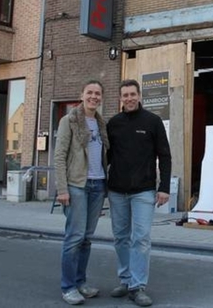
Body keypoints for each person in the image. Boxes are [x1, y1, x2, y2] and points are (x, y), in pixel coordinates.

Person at [107, 79, 172, 307]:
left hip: (144, 191)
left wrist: (164, 187)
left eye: (132, 94)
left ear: (139, 95)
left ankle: (138, 286)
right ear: (120, 98)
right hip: (116, 191)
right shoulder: (113, 123)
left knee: (141, 239)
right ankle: (125, 280)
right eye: (125, 95)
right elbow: (108, 157)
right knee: (121, 238)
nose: (129, 98)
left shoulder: (153, 122)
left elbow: (164, 155)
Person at [54, 80, 109, 305]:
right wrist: (62, 189)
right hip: (77, 186)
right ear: (82, 95)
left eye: (97, 94)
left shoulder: (101, 123)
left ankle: (80, 282)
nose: (93, 97)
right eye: (90, 93)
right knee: (74, 237)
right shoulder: (69, 120)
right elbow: (59, 157)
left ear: (101, 98)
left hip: (98, 185)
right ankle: (68, 287)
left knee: (86, 238)